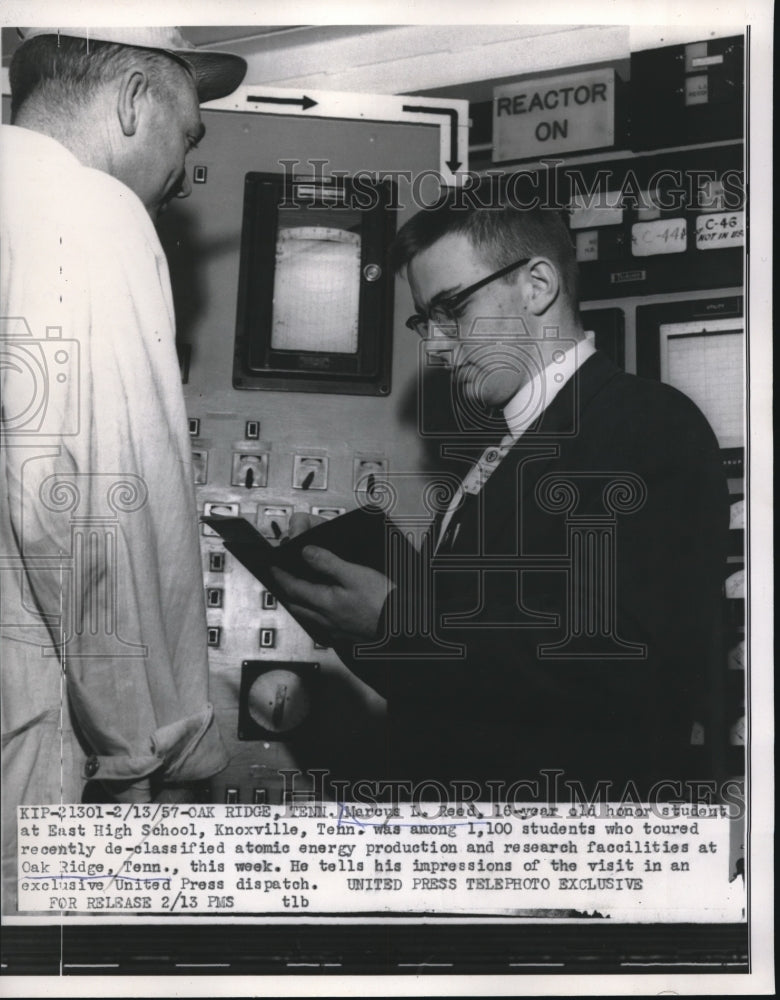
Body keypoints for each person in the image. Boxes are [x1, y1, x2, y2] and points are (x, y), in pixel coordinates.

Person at [272, 197, 730, 803]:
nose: (435, 346)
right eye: (424, 321)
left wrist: (395, 621)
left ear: (537, 284)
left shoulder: (645, 423)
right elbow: (452, 680)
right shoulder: (497, 453)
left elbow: (619, 667)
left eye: (452, 309)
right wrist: (350, 617)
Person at [0, 28, 246, 909]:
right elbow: (93, 504)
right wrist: (157, 745)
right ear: (134, 100)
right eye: (189, 137)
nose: (183, 174)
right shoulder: (89, 210)